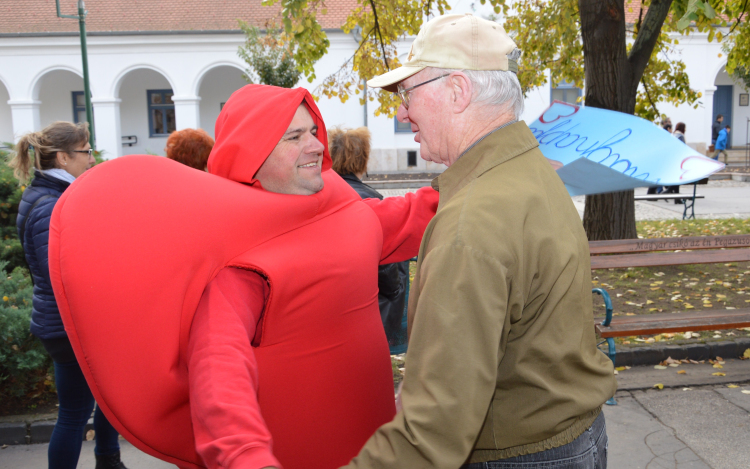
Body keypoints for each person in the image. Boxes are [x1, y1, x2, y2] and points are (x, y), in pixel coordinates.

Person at [47, 85, 438, 469]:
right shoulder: (241, 260)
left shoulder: (335, 203)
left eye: (314, 131)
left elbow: (398, 220)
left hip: (375, 443)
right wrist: (244, 455)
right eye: (295, 137)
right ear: (252, 154)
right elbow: (219, 371)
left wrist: (471, 185)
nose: (317, 145)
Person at [343, 14, 616, 469]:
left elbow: (432, 429)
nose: (402, 111)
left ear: (457, 91)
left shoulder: (472, 222)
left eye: (409, 94)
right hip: (571, 433)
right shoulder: (530, 169)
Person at [9, 122, 127, 469]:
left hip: (69, 321)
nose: (92, 158)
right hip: (68, 325)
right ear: (62, 157)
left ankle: (108, 459)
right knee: (74, 414)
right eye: (86, 151)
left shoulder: (54, 195)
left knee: (108, 400)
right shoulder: (49, 204)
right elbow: (61, 275)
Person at [329, 126, 410, 347]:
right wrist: (395, 290)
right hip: (370, 311)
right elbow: (386, 267)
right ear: (363, 159)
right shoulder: (372, 201)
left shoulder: (324, 196)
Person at [663, 122, 687, 202]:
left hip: (672, 159)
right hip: (678, 160)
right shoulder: (680, 136)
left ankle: (677, 198)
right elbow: (683, 149)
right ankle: (667, 192)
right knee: (677, 179)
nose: (686, 130)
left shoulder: (674, 135)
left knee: (677, 179)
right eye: (685, 128)